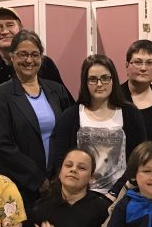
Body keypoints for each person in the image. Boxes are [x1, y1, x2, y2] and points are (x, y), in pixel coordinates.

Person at [0, 30, 74, 209]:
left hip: (59, 183)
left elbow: (70, 132)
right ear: (12, 57)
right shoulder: (0, 94)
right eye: (23, 54)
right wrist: (38, 180)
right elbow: (2, 144)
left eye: (35, 54)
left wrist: (60, 174)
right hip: (20, 187)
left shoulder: (57, 91)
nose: (29, 60)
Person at [49, 54, 146, 198]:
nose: (99, 84)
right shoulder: (71, 116)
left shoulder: (130, 114)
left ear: (113, 80)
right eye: (93, 79)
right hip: (79, 197)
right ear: (85, 82)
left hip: (121, 195)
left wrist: (116, 192)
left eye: (105, 78)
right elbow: (60, 160)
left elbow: (139, 158)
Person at [0, 7, 65, 96]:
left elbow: (64, 101)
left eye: (10, 25)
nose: (4, 31)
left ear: (21, 29)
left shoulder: (44, 64)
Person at [116, 39, 152, 140]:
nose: (143, 68)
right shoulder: (114, 97)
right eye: (137, 62)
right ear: (127, 65)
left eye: (149, 63)